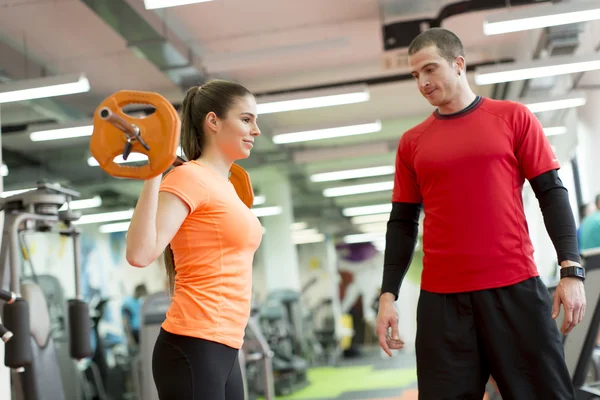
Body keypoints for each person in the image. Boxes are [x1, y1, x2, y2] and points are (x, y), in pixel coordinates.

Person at [375, 28, 587, 399]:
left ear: (459, 64)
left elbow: (551, 194)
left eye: (430, 69)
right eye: (415, 75)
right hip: (443, 303)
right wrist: (387, 294)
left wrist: (571, 269)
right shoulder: (412, 143)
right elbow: (402, 223)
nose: (423, 82)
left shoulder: (513, 117)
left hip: (514, 289)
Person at [125, 79, 263, 400]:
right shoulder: (188, 177)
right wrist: (153, 171)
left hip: (226, 345)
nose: (255, 130)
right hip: (194, 344)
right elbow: (140, 253)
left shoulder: (225, 185)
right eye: (246, 119)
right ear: (213, 121)